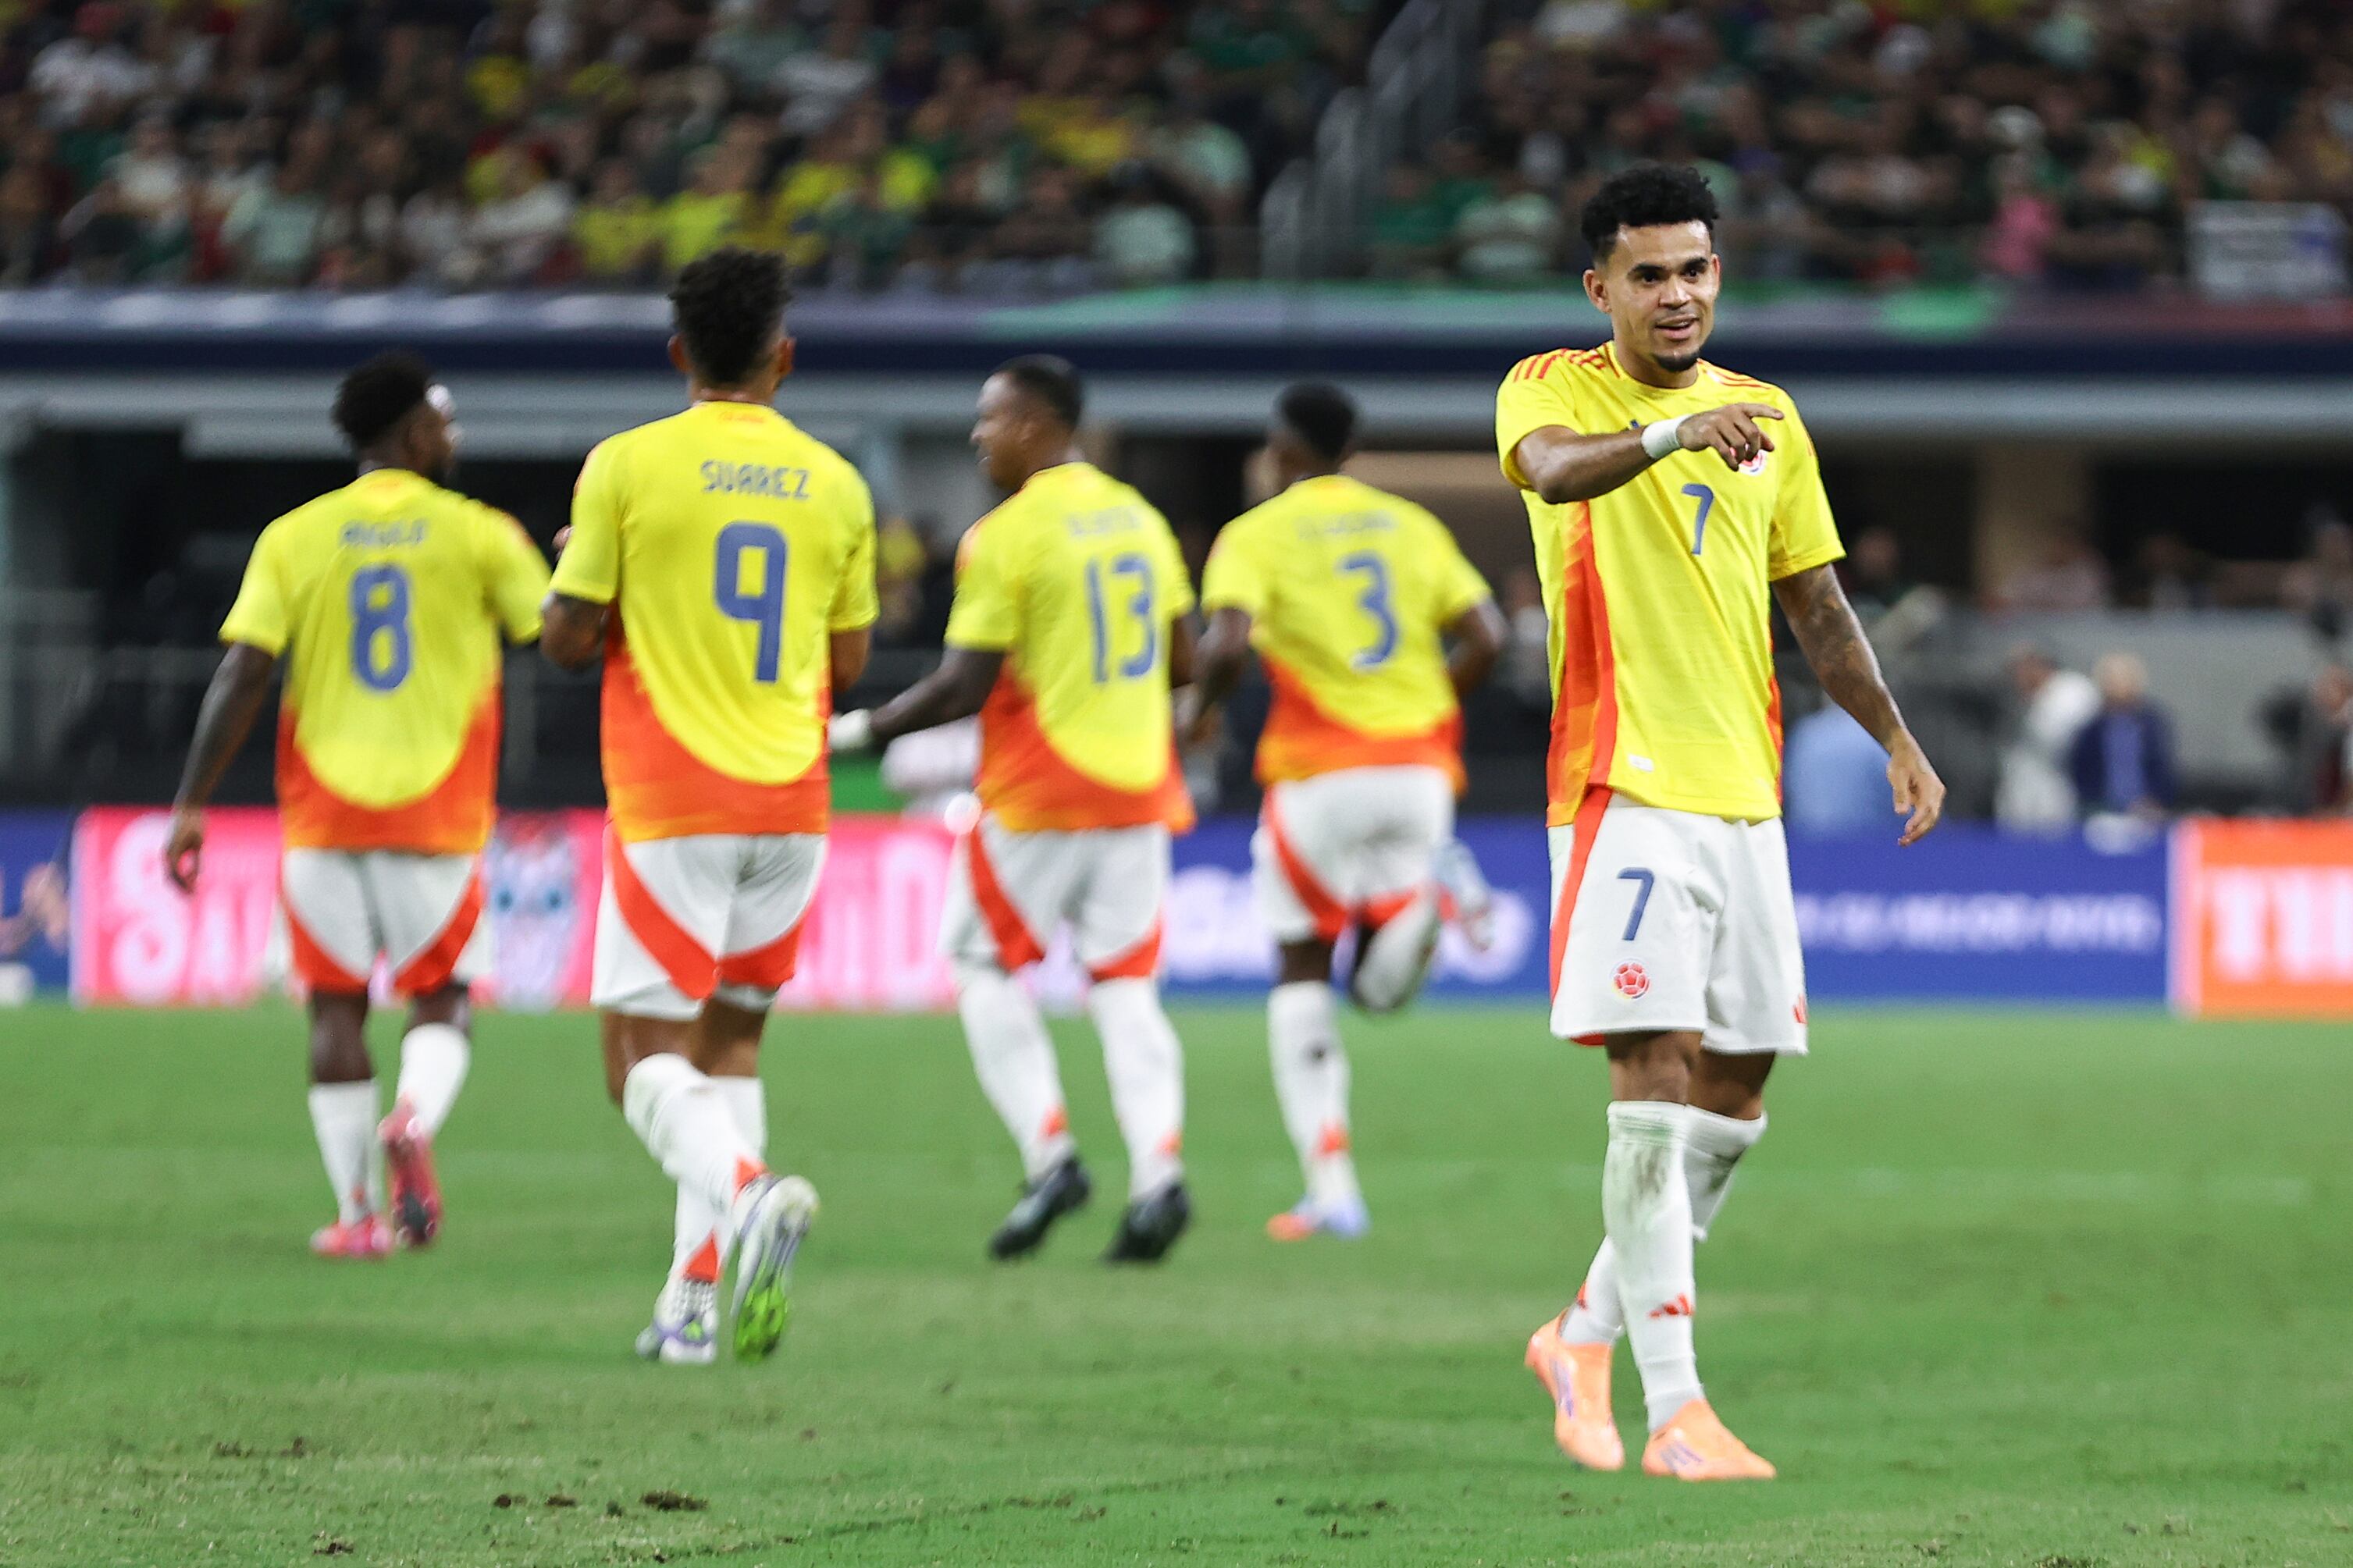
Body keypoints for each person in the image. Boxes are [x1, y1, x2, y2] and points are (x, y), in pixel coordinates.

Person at [1497, 164, 1945, 1482]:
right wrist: (1663, 437)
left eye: (1693, 268)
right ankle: (1674, 1407)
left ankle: (1578, 1331)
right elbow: (1548, 472)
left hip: (1741, 799)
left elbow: (1811, 603)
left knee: (1734, 1095)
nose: (1676, 293)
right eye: (1647, 274)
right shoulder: (1551, 386)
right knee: (1648, 1082)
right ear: (1600, 289)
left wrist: (1892, 735)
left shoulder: (1767, 416)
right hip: (1619, 785)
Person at [539, 247, 877, 1365]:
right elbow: (850, 658)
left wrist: (584, 585)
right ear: (784, 358)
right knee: (730, 1045)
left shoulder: (626, 467)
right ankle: (689, 1305)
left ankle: (749, 1194)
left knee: (637, 1056)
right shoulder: (836, 482)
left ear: (680, 353)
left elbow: (570, 639)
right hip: (794, 801)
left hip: (676, 797)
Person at [165, 354, 550, 1260]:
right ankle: (410, 1118)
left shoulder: (294, 535)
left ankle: (356, 1214)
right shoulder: (482, 533)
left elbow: (244, 671)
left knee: (334, 1009)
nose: (450, 438)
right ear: (412, 432)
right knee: (443, 1000)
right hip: (436, 814)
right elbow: (559, 634)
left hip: (322, 814)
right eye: (443, 424)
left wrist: (190, 801)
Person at [830, 357, 1198, 1266]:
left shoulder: (1004, 534)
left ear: (1036, 424)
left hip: (1039, 792)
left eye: (990, 419)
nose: (977, 435)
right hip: (1137, 785)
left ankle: (1050, 1155)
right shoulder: (1140, 518)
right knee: (1123, 984)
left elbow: (962, 682)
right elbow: (1183, 665)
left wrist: (852, 734)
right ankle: (1158, 1172)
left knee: (980, 961)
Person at [1184, 382, 1505, 1243]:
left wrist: (1196, 713)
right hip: (1418, 773)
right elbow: (1490, 637)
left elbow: (1224, 642)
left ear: (1280, 452)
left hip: (1319, 772)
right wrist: (1433, 705)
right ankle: (1423, 904)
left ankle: (1331, 1187)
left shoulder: (1254, 533)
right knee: (1377, 987)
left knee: (1302, 966)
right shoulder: (1409, 525)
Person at [1995, 643, 2100, 832]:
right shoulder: (2015, 698)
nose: (2019, 676)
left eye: (2023, 669)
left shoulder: (2073, 690)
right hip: (2021, 784)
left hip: (2062, 781)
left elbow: (2068, 742)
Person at [2066, 651, 2177, 820]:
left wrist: (2155, 801)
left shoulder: (2151, 725)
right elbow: (2081, 770)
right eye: (2112, 680)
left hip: (2147, 813)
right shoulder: (2092, 727)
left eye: (2123, 680)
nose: (2118, 686)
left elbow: (2162, 767)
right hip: (2100, 812)